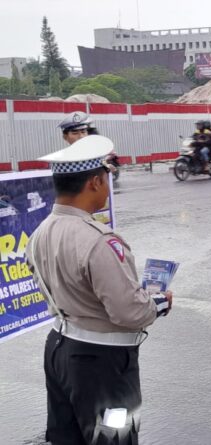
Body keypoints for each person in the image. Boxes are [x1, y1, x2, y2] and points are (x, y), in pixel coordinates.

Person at [27, 135, 173, 445]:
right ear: (94, 182)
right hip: (101, 363)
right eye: (106, 178)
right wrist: (159, 302)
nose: (108, 185)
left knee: (68, 437)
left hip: (59, 348)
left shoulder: (39, 233)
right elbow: (130, 312)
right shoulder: (98, 240)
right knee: (114, 438)